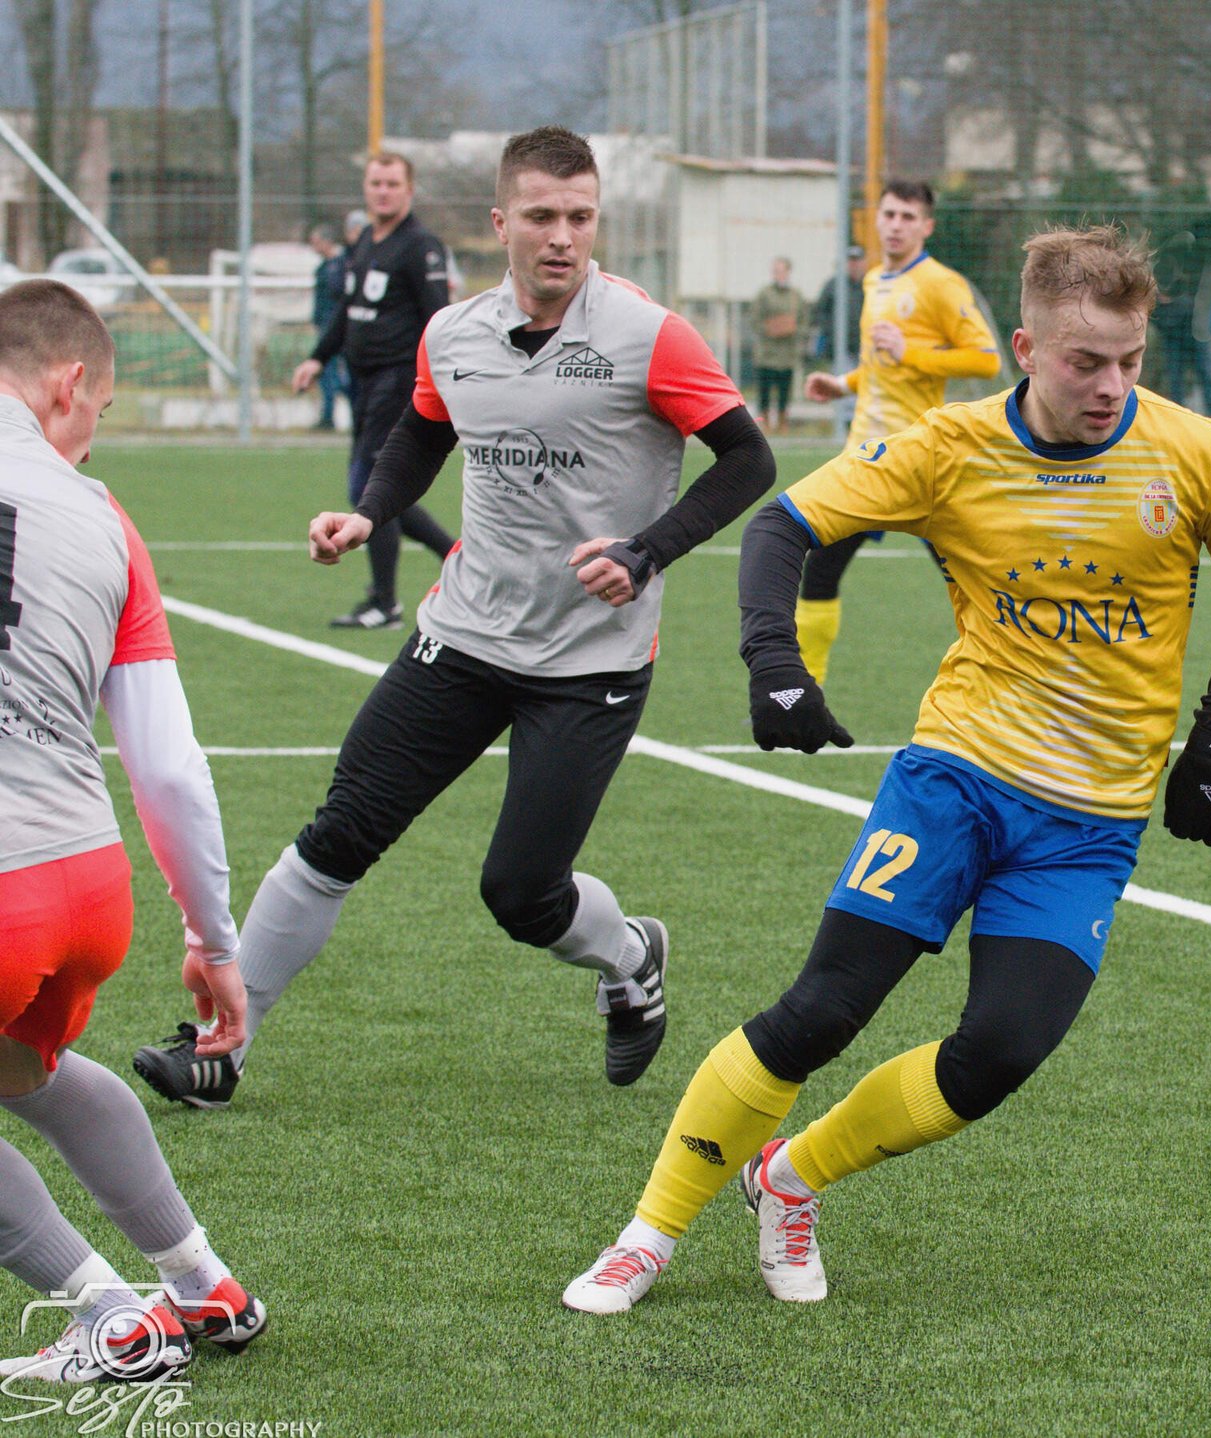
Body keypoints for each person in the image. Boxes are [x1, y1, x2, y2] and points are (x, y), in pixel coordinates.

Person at [561, 224, 1211, 1315]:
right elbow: (781, 528)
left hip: (1092, 822)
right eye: (1085, 361)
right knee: (821, 1012)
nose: (1110, 386)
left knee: (999, 1052)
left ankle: (790, 1178)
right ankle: (647, 1235)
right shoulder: (950, 447)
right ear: (1025, 349)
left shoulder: (1198, 452)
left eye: (1130, 360)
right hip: (959, 776)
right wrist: (775, 668)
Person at [132, 126, 775, 1109]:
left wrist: (647, 551)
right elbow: (421, 434)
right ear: (500, 221)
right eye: (542, 216)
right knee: (339, 833)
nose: (562, 236)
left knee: (521, 893)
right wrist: (369, 512)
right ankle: (222, 1046)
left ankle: (630, 954)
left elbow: (748, 459)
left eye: (581, 217)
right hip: (462, 636)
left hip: (589, 663)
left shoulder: (649, 335)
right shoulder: (453, 335)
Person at [0, 280, 265, 1382]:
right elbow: (165, 765)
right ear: (69, 384)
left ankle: (110, 1315)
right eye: (100, 414)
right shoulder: (104, 516)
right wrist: (212, 939)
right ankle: (203, 1283)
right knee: (26, 1069)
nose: (90, 436)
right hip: (84, 883)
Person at [796, 182, 1001, 683]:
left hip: (920, 461)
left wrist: (912, 352)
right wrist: (843, 384)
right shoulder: (874, 280)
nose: (895, 225)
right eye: (888, 214)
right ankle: (803, 690)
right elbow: (881, 364)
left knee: (973, 585)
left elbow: (986, 359)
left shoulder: (940, 284)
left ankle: (1005, 682)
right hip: (865, 458)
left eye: (908, 217)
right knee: (819, 570)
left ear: (926, 226)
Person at [292, 153, 456, 630]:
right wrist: (317, 357)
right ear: (366, 188)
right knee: (379, 490)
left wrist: (442, 379)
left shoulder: (421, 246)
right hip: (363, 382)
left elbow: (439, 320)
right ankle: (455, 557)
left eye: (392, 184)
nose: (383, 191)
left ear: (409, 190)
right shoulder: (366, 239)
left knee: (369, 488)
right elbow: (348, 309)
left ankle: (385, 602)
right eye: (376, 183)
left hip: (399, 381)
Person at [749, 257, 805, 433]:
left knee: (784, 391)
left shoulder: (795, 295)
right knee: (764, 390)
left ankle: (782, 422)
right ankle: (765, 421)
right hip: (767, 352)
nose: (779, 274)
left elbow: (803, 320)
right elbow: (754, 319)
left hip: (787, 353)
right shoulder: (764, 294)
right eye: (776, 271)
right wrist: (770, 328)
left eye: (782, 270)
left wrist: (793, 328)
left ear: (788, 272)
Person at [306, 223, 350, 431]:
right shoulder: (324, 267)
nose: (313, 246)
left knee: (334, 374)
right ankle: (328, 416)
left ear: (326, 241)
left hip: (336, 329)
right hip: (325, 326)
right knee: (327, 374)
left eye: (316, 242)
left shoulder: (339, 266)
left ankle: (332, 416)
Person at [1152, 288, 1211, 417]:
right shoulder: (1156, 305)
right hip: (1172, 341)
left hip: (1196, 340)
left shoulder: (1188, 295)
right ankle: (1179, 416)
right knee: (1175, 380)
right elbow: (1157, 320)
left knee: (1207, 377)